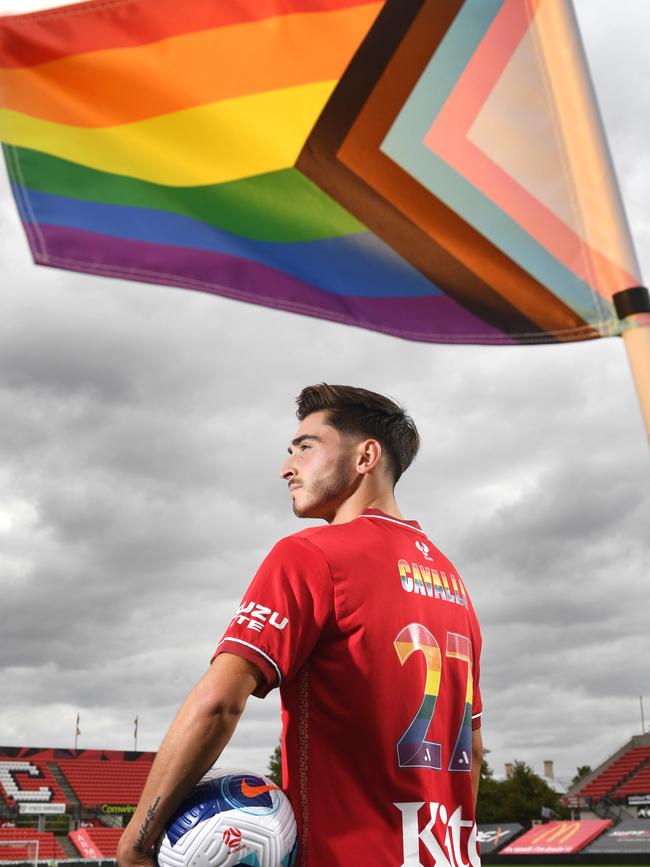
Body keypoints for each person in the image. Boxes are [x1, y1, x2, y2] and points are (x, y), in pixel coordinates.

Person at [117, 384, 483, 867]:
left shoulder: (311, 554)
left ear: (366, 456)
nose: (287, 467)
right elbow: (473, 751)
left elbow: (219, 704)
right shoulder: (454, 583)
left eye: (305, 447)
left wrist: (137, 844)